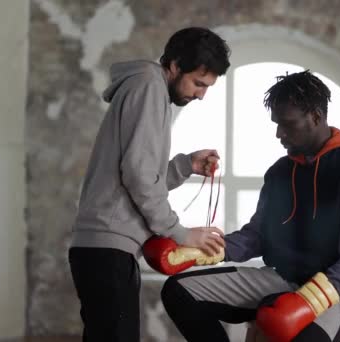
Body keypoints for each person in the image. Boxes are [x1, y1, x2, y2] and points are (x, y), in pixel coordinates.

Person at [154, 70, 340, 342]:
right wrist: (194, 251)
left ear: (315, 117)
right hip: (280, 279)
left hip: (337, 294)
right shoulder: (280, 171)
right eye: (276, 124)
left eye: (287, 124)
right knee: (178, 292)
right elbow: (256, 236)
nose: (279, 134)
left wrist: (309, 300)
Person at [68, 27, 231, 342]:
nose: (201, 94)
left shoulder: (148, 88)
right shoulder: (148, 87)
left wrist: (185, 166)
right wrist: (181, 233)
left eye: (207, 86)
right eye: (198, 83)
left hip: (107, 249)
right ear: (174, 65)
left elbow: (137, 175)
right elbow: (138, 176)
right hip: (108, 250)